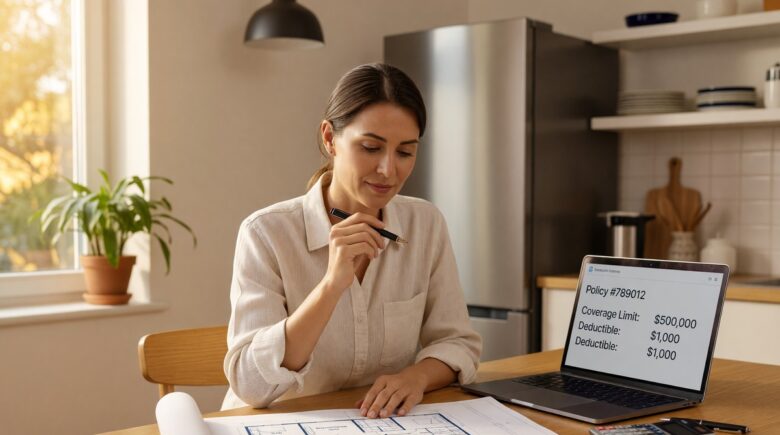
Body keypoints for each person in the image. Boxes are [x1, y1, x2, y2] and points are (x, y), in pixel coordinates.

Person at [222, 63, 482, 418]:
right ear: (330, 138)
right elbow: (250, 385)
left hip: (378, 424)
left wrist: (415, 378)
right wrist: (331, 285)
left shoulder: (426, 224)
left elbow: (458, 343)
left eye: (405, 152)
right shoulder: (265, 233)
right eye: (371, 147)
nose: (388, 170)